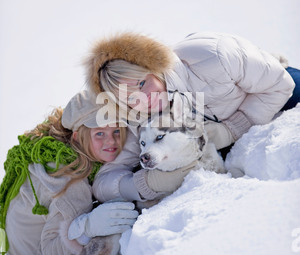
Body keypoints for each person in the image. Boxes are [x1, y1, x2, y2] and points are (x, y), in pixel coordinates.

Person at [83, 31, 298, 202]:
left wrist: (231, 129)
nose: (144, 99)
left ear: (153, 67)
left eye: (141, 83)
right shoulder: (139, 120)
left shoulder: (213, 55)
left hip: (272, 85)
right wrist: (147, 184)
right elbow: (104, 182)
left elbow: (280, 85)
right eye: (130, 97)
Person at [0, 90, 138, 255]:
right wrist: (85, 227)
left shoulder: (55, 149)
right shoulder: (71, 179)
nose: (111, 141)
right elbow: (51, 252)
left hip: (19, 245)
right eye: (99, 133)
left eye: (116, 131)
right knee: (117, 231)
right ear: (76, 137)